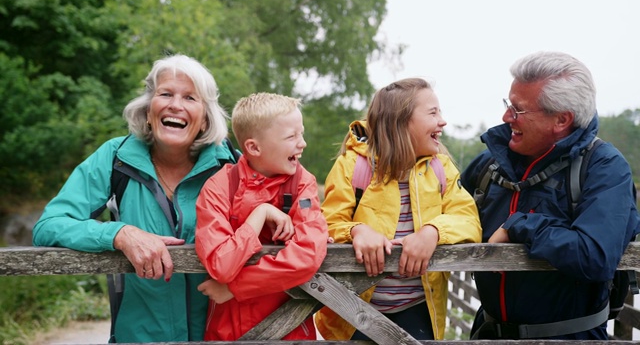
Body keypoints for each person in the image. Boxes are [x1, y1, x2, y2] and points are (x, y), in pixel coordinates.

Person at [32, 54, 237, 343]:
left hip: (222, 336)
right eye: (165, 93)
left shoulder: (232, 168)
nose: (175, 105)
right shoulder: (114, 158)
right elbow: (48, 226)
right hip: (137, 337)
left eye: (190, 98)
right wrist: (119, 233)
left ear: (205, 119)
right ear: (148, 108)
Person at [460, 51, 640, 340]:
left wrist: (519, 225)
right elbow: (449, 210)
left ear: (561, 120)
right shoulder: (488, 164)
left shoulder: (604, 167)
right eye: (508, 104)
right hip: (488, 333)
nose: (506, 117)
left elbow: (594, 255)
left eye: (517, 110)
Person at [314, 78, 482, 340]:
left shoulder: (442, 168)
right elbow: (325, 224)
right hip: (352, 310)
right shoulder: (352, 166)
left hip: (416, 309)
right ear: (401, 121)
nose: (442, 121)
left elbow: (469, 219)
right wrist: (356, 230)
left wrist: (433, 231)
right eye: (433, 112)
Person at [194, 92, 329, 341]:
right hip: (228, 331)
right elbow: (221, 265)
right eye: (291, 137)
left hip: (291, 327)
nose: (302, 143)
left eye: (302, 133)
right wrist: (259, 215)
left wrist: (235, 288)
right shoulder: (219, 186)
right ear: (254, 147)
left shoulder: (302, 183)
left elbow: (308, 255)